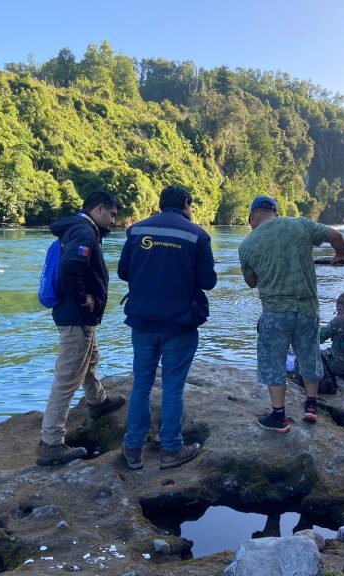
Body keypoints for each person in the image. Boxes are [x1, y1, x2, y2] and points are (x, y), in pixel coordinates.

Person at [118, 184, 217, 470]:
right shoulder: (197, 235)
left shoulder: (136, 231)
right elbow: (208, 282)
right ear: (187, 203)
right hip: (180, 323)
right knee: (173, 387)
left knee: (142, 384)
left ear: (161, 204)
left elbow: (124, 272)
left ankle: (133, 449)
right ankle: (171, 450)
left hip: (143, 321)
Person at [238, 195, 344, 432]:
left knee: (273, 361)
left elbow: (251, 283)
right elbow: (336, 237)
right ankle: (311, 407)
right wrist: (339, 256)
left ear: (252, 216)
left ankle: (279, 417)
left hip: (275, 312)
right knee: (309, 355)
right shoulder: (300, 225)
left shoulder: (246, 245)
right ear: (275, 212)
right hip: (307, 310)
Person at [37, 190, 126, 466]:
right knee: (67, 377)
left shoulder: (78, 228)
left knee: (90, 358)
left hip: (78, 317)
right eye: (111, 214)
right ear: (99, 209)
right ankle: (51, 442)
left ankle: (97, 402)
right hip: (76, 315)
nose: (113, 220)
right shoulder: (85, 233)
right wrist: (81, 297)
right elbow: (71, 266)